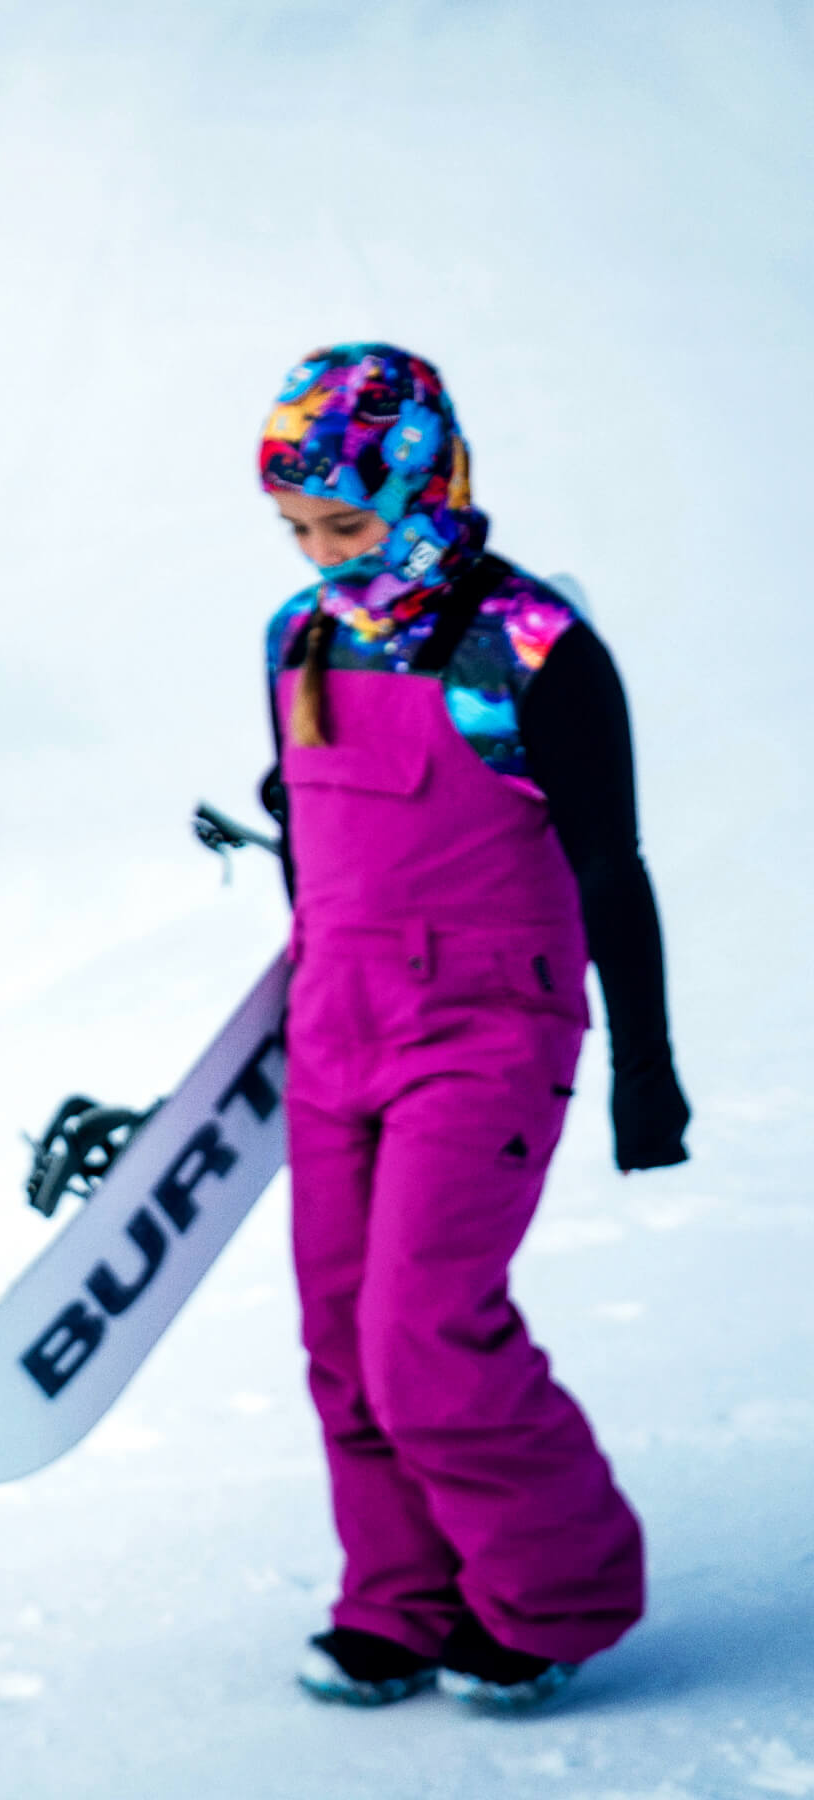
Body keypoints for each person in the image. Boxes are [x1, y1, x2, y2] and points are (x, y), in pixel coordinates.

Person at [256, 345, 688, 1713]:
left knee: (427, 1329)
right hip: (337, 1018)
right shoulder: (301, 634)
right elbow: (306, 824)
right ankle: (398, 1599)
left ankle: (555, 1595)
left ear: (424, 487)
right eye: (297, 531)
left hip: (485, 1026)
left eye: (346, 524)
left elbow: (613, 868)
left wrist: (648, 1079)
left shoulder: (534, 645)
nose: (322, 556)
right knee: (341, 1336)